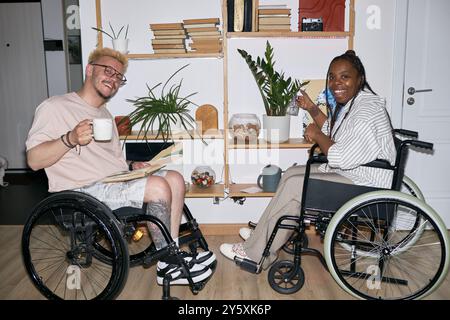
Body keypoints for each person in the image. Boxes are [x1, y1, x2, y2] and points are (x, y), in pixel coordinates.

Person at [26, 47, 215, 285]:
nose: (113, 78)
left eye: (118, 76)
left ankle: (172, 255)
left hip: (112, 181)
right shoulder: (55, 107)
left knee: (175, 178)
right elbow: (33, 160)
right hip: (81, 191)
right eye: (108, 71)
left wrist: (132, 164)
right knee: (157, 187)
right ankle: (168, 262)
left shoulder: (105, 114)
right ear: (89, 70)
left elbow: (112, 160)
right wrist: (70, 139)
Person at [220, 50, 397, 267]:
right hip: (356, 175)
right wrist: (312, 109)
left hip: (365, 185)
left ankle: (256, 254)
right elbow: (335, 132)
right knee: (293, 174)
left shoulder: (366, 110)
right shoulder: (356, 103)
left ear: (359, 79)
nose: (335, 82)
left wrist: (316, 135)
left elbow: (339, 156)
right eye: (332, 77)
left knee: (296, 185)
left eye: (344, 76)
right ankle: (263, 236)